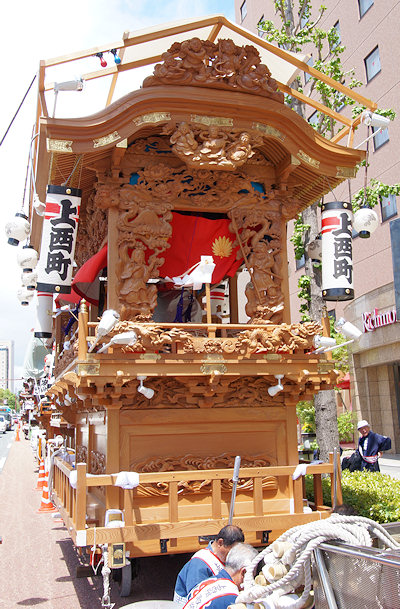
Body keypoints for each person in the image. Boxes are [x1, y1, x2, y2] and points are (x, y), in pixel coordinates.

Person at [174, 525, 245, 606]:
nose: (234, 556)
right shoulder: (199, 563)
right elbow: (198, 599)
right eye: (232, 551)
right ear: (220, 543)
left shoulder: (222, 559)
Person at [182, 543, 258, 609]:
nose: (253, 582)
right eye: (253, 576)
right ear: (244, 572)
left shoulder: (208, 582)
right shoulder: (232, 599)